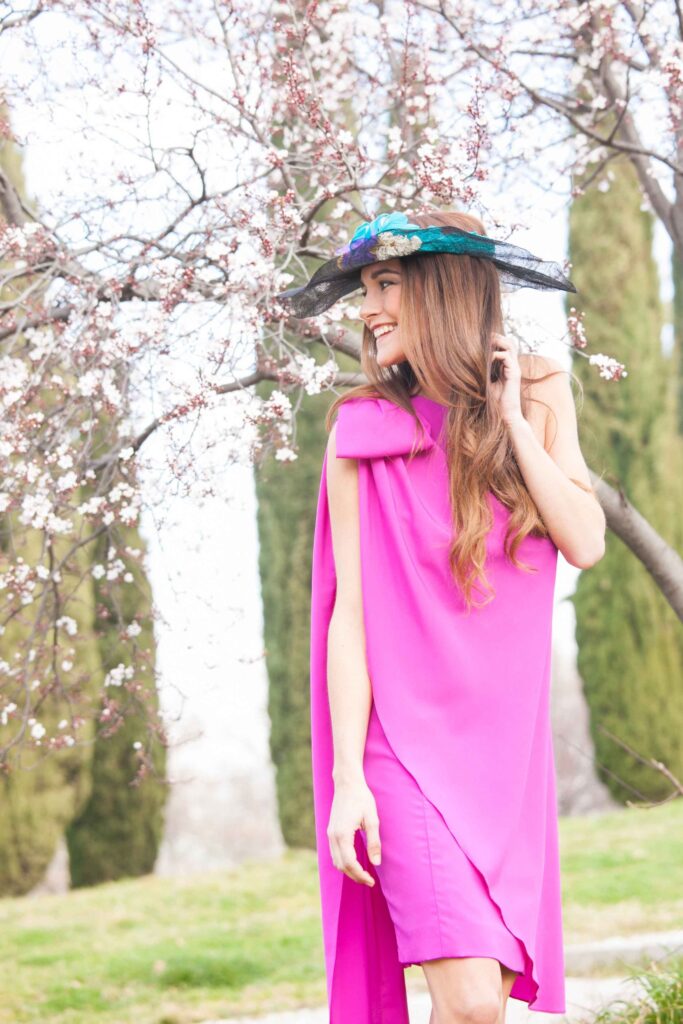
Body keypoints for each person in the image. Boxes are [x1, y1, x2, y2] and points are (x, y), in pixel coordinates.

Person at [278, 208, 606, 1024]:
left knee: (480, 1005)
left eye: (384, 284)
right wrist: (348, 779)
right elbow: (347, 617)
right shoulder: (362, 430)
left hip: (503, 760)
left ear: (442, 290)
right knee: (466, 1002)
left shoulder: (535, 387)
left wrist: (508, 424)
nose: (366, 308)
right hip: (403, 754)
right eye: (364, 289)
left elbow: (585, 539)